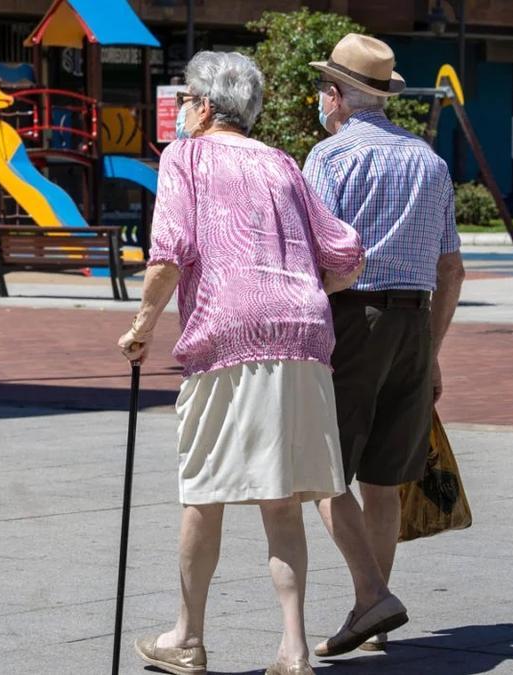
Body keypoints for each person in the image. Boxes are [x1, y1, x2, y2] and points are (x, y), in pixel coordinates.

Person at [117, 51, 365, 675]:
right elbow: (345, 253)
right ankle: (294, 649)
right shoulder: (281, 161)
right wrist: (300, 292)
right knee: (281, 499)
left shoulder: (187, 157)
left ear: (202, 106)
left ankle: (188, 637)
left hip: (229, 333)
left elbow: (170, 251)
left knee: (205, 492)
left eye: (186, 101)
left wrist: (142, 325)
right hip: (304, 332)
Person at [303, 33, 467, 656]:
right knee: (383, 479)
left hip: (353, 319)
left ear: (340, 96)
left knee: (319, 465)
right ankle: (370, 620)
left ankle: (371, 595)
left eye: (324, 87)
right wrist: (433, 351)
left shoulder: (330, 158)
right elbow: (452, 269)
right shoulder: (429, 160)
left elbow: (315, 257)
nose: (321, 98)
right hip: (414, 324)